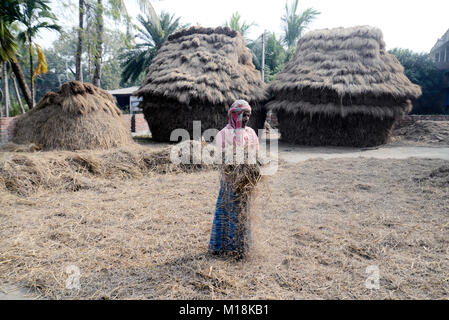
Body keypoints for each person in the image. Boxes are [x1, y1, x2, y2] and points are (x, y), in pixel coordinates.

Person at [208, 100, 259, 259]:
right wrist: (233, 165)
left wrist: (252, 168)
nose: (246, 119)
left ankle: (241, 248)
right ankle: (220, 247)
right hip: (230, 182)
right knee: (227, 213)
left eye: (248, 115)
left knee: (243, 214)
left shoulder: (250, 133)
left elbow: (256, 155)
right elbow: (219, 158)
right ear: (235, 114)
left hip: (245, 184)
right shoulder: (223, 134)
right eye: (244, 115)